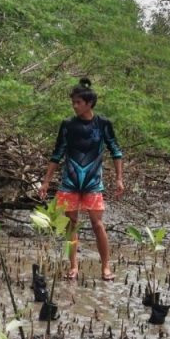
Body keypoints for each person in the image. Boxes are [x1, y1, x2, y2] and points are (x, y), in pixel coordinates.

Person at [38, 78, 124, 281]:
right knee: (71, 224)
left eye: (78, 102)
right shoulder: (67, 125)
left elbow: (116, 152)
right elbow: (57, 154)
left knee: (97, 224)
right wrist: (46, 181)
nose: (74, 106)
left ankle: (106, 266)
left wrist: (119, 179)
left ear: (89, 103)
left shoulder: (103, 124)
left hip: (93, 183)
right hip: (70, 182)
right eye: (73, 102)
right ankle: (74, 266)